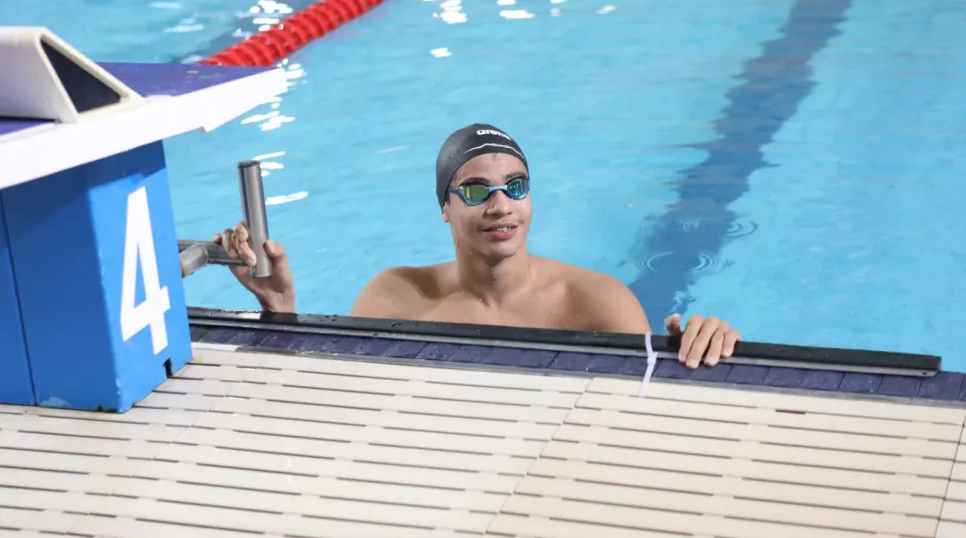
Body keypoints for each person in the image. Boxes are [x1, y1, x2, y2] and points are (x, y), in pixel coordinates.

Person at [215, 123, 741, 369]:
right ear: (444, 206)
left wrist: (697, 349)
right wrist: (280, 309)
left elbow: (643, 411)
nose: (501, 206)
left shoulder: (598, 301)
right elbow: (338, 403)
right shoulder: (397, 296)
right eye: (475, 191)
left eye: (516, 187)